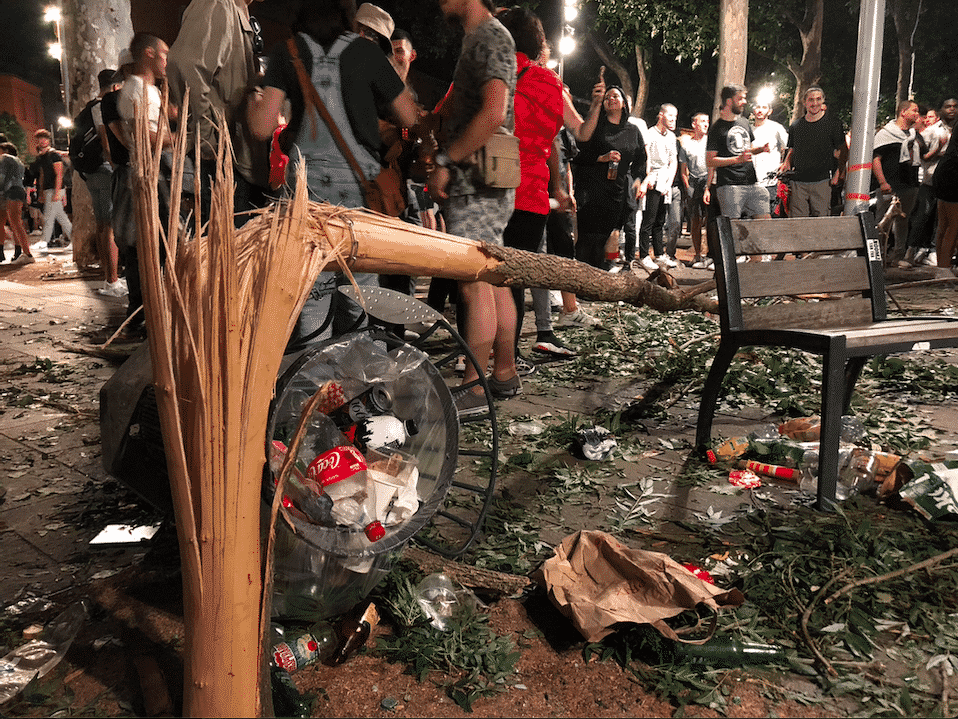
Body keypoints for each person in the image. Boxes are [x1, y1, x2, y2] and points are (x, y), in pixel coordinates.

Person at [247, 0, 417, 347]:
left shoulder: (287, 53)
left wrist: (251, 101)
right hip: (361, 190)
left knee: (312, 289)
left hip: (305, 191)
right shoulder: (367, 53)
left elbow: (263, 128)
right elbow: (411, 117)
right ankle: (355, 385)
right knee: (359, 290)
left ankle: (316, 387)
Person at [424, 0, 519, 418]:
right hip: (486, 181)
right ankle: (502, 372)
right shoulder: (483, 39)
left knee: (474, 281)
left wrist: (446, 161)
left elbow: (494, 112)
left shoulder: (489, 37)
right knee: (494, 277)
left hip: (476, 182)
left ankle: (474, 386)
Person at [167, 0, 267, 225]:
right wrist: (207, 136)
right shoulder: (217, 4)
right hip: (222, 156)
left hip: (239, 156)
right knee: (224, 246)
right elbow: (182, 65)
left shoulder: (239, 11)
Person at [115, 34, 175, 339]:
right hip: (149, 175)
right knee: (148, 244)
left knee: (157, 242)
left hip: (156, 173)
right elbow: (146, 136)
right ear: (148, 54)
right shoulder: (136, 90)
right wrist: (180, 140)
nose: (168, 59)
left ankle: (150, 311)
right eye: (164, 53)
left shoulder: (150, 89)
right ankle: (142, 314)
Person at [572, 85, 645, 271]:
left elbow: (640, 160)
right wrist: (602, 158)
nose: (611, 99)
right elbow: (578, 155)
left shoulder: (633, 131)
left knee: (606, 235)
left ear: (624, 103)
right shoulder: (595, 127)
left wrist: (637, 180)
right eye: (607, 97)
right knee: (588, 236)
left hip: (617, 190)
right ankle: (582, 279)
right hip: (592, 188)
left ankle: (599, 278)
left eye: (615, 96)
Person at [706, 84, 772, 226]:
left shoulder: (744, 122)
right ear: (729, 101)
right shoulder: (717, 128)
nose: (744, 102)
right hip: (730, 186)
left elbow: (749, 149)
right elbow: (710, 161)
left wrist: (760, 149)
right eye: (740, 98)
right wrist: (737, 159)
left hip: (752, 182)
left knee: (765, 225)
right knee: (733, 229)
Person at [86, 69, 126, 296]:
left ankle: (108, 277)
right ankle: (112, 281)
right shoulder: (101, 107)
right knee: (109, 225)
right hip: (105, 169)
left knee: (103, 224)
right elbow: (106, 141)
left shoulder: (90, 106)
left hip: (93, 172)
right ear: (116, 86)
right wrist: (116, 165)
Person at [780, 87, 847, 218]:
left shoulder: (833, 124)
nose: (814, 103)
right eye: (811, 100)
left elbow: (843, 151)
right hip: (798, 181)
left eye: (818, 99)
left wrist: (838, 174)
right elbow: (792, 148)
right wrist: (786, 162)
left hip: (823, 181)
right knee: (797, 221)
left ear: (823, 101)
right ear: (804, 102)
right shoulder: (796, 125)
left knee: (821, 219)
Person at [906, 99, 956, 267]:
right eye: (948, 106)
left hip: (947, 178)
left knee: (942, 223)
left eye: (955, 107)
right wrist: (937, 152)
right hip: (939, 178)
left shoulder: (954, 128)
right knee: (931, 219)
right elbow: (921, 155)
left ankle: (937, 260)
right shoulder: (933, 131)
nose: (952, 110)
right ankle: (914, 254)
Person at [872, 100, 921, 264]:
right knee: (883, 221)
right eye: (914, 110)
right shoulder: (885, 134)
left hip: (909, 184)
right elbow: (876, 159)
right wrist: (882, 182)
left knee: (903, 220)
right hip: (890, 185)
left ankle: (898, 255)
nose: (917, 114)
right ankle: (877, 256)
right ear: (903, 112)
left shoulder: (914, 135)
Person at [636, 103, 679, 271]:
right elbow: (646, 158)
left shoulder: (671, 136)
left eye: (675, 117)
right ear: (661, 115)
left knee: (660, 220)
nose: (673, 120)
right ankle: (644, 255)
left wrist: (668, 182)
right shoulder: (650, 134)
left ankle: (660, 254)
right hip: (652, 178)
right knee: (649, 218)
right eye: (670, 116)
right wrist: (648, 178)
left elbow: (673, 160)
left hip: (665, 179)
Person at [31, 129, 73, 251]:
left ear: (48, 140)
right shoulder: (42, 157)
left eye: (44, 138)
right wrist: (41, 192)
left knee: (51, 216)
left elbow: (59, 173)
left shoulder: (53, 155)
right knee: (60, 217)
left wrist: (57, 191)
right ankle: (73, 240)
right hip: (48, 189)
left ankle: (45, 241)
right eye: (39, 139)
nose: (42, 141)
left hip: (55, 189)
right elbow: (42, 175)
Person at [680, 111, 711, 268]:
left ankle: (711, 255)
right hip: (693, 182)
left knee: (711, 219)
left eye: (707, 121)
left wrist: (710, 185)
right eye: (702, 121)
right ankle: (698, 255)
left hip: (709, 180)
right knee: (695, 221)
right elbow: (683, 170)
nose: (706, 124)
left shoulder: (710, 142)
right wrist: (687, 186)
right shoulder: (686, 145)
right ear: (694, 124)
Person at [750, 99, 788, 216]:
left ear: (770, 111)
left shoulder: (776, 128)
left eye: (764, 107)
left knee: (767, 216)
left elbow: (789, 147)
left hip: (769, 182)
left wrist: (785, 164)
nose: (760, 110)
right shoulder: (747, 128)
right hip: (749, 182)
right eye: (757, 107)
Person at [0, 142, 35, 264]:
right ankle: (23, 252)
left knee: (15, 222)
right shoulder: (18, 161)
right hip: (18, 190)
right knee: (13, 222)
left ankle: (27, 253)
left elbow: (2, 177)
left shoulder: (5, 158)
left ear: (5, 150)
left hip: (11, 191)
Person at [932, 123, 958, 274]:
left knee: (944, 224)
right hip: (953, 173)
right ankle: (943, 270)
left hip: (944, 170)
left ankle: (941, 269)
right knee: (953, 226)